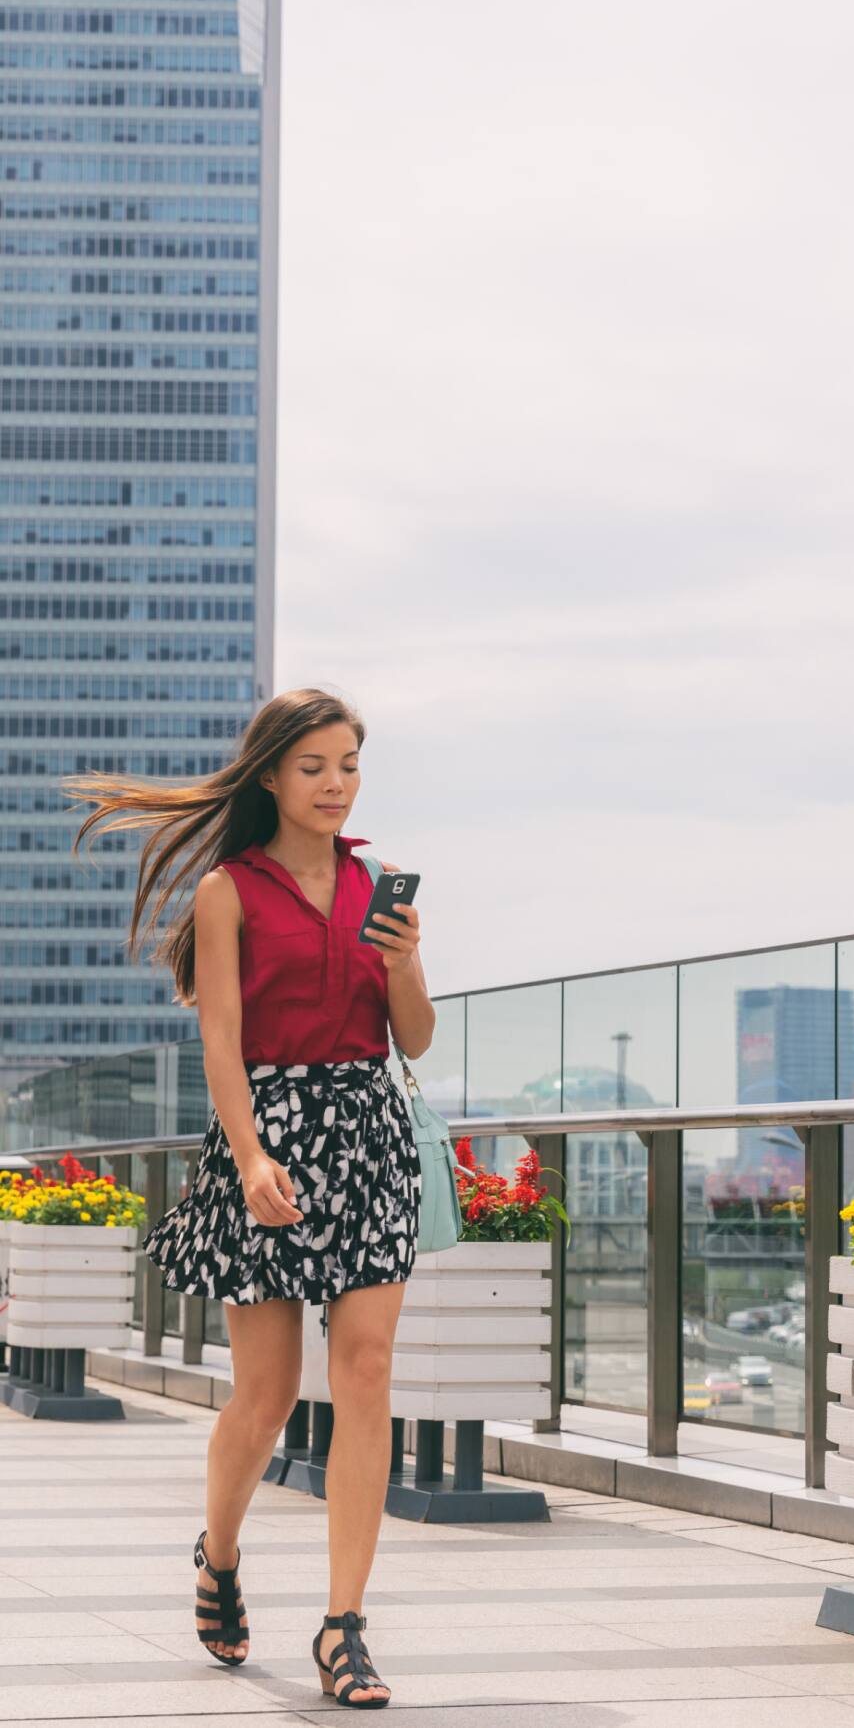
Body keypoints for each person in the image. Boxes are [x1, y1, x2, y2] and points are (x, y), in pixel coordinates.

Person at [64, 687, 435, 1709]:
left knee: (366, 1370)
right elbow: (220, 1042)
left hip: (367, 1137)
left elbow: (414, 1038)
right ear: (270, 774)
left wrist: (404, 962)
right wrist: (251, 1157)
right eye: (314, 766)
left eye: (349, 765)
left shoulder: (378, 885)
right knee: (267, 1394)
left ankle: (344, 1627)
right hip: (264, 1138)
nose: (335, 784)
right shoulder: (230, 890)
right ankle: (219, 1554)